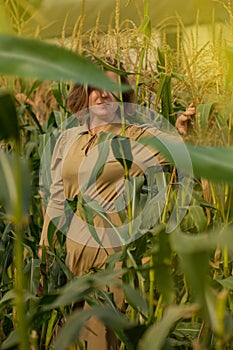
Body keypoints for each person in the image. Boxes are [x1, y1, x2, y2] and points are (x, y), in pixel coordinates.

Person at [39, 57, 195, 349]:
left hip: (107, 277)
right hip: (66, 272)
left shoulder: (133, 139)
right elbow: (56, 200)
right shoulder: (68, 138)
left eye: (111, 86)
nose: (103, 93)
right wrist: (44, 255)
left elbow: (176, 147)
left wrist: (181, 129)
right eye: (95, 86)